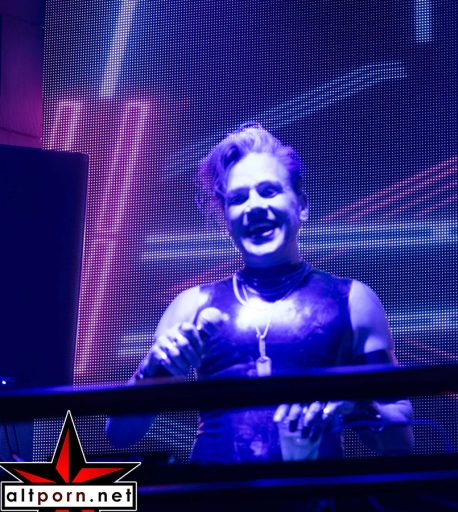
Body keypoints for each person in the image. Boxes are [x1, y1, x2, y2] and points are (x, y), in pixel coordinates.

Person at [106, 124, 414, 463]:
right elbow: (119, 435)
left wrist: (359, 405)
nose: (253, 207)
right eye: (238, 198)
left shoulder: (354, 301)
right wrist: (149, 372)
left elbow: (401, 443)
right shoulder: (192, 306)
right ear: (226, 220)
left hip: (316, 492)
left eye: (268, 191)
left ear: (302, 205)